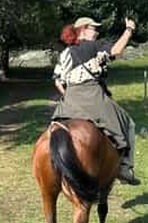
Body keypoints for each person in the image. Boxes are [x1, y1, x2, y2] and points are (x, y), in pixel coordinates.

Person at [51, 16, 140, 185]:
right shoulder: (96, 46)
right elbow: (116, 51)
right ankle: (124, 168)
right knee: (128, 123)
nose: (97, 32)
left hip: (69, 98)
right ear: (83, 30)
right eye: (94, 28)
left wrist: (69, 95)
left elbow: (58, 81)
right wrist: (129, 30)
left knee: (54, 130)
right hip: (93, 95)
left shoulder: (65, 53)